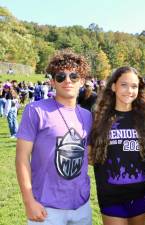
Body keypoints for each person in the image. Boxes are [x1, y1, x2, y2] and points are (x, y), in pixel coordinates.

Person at [15, 50, 93, 225]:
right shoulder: (35, 110)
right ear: (52, 81)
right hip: (45, 208)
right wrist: (29, 201)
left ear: (81, 81)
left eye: (73, 76)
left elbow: (88, 156)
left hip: (81, 206)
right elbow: (21, 158)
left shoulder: (88, 116)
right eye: (60, 76)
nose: (67, 80)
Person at [90, 66, 145, 225]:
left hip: (140, 194)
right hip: (111, 196)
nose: (129, 90)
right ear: (113, 86)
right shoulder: (99, 118)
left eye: (134, 86)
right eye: (124, 85)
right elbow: (90, 156)